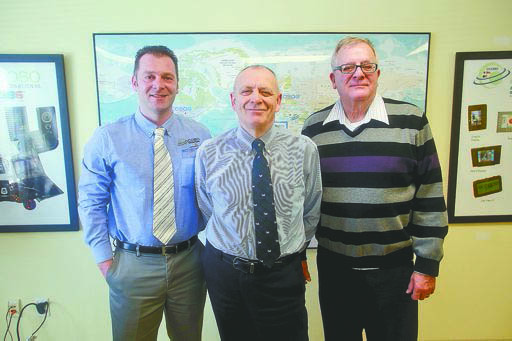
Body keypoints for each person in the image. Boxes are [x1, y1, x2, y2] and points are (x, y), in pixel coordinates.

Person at [302, 37, 449, 341]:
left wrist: (427, 265)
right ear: (333, 79)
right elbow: (303, 200)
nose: (359, 73)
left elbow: (430, 195)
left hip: (395, 272)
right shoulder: (314, 129)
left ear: (378, 73)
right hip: (335, 271)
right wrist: (298, 253)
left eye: (367, 65)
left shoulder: (411, 121)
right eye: (348, 67)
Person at [78, 45, 210, 341]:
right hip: (132, 264)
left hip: (189, 261)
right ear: (135, 82)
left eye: (167, 77)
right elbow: (90, 202)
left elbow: (212, 197)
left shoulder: (201, 136)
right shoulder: (107, 138)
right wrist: (104, 261)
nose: (158, 85)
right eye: (149, 76)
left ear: (177, 84)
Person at [195, 65, 322, 341]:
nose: (256, 98)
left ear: (278, 101)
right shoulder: (209, 151)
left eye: (265, 92)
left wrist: (292, 247)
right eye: (246, 91)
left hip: (282, 275)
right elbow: (207, 208)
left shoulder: (304, 150)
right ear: (233, 100)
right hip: (226, 274)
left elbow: (311, 210)